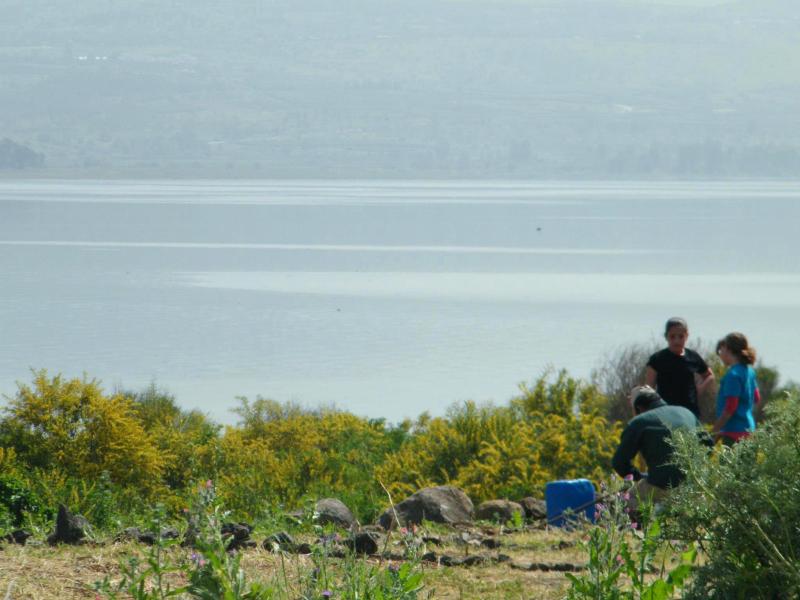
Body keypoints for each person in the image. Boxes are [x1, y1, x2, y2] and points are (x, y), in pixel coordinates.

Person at [612, 386, 712, 511]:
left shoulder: (639, 422)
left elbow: (619, 463)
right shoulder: (686, 412)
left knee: (622, 502)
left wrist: (638, 476)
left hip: (661, 486)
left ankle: (656, 516)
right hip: (695, 487)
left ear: (638, 408)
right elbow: (709, 445)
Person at [645, 317, 714, 418]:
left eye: (681, 336)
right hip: (666, 412)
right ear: (666, 337)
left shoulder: (693, 356)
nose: (677, 341)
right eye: (672, 337)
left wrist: (699, 389)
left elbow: (709, 375)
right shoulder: (657, 359)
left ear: (686, 336)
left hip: (690, 411)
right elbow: (649, 388)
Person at [713, 332, 760, 445]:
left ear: (728, 349)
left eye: (721, 350)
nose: (721, 354)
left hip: (733, 434)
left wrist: (715, 430)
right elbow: (756, 398)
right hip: (749, 430)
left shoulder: (733, 375)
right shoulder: (749, 371)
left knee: (729, 463)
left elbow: (730, 408)